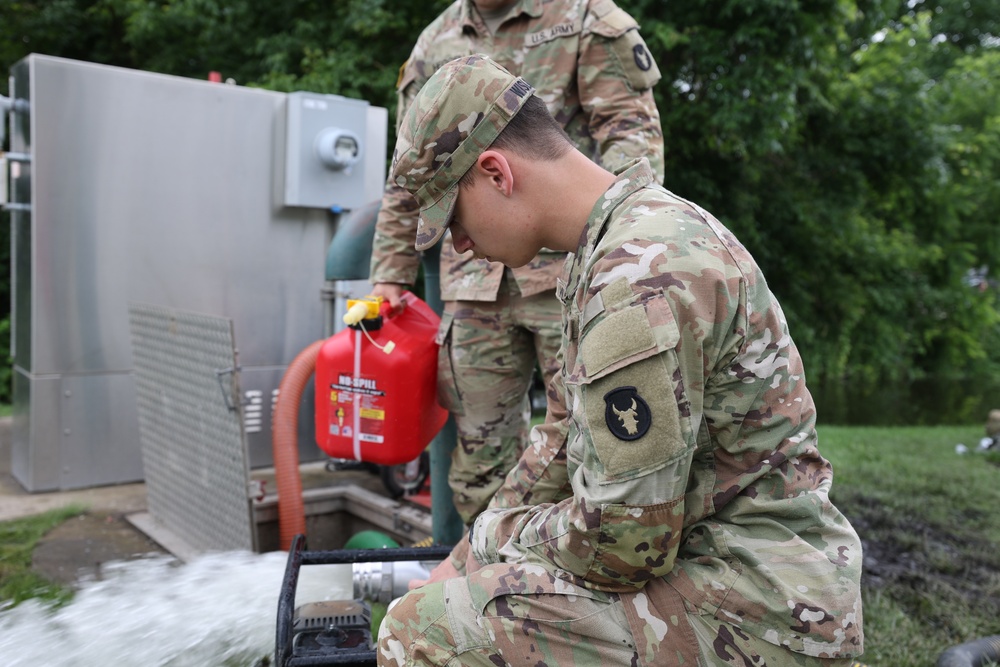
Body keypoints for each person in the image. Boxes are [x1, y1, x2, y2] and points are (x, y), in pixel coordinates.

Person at [375, 55, 865, 666]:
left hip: (761, 604)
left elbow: (625, 542)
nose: (461, 244)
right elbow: (558, 439)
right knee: (457, 595)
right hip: (729, 566)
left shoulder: (637, 278)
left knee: (417, 630)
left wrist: (503, 538)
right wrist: (464, 559)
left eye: (454, 218)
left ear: (496, 172)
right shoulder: (614, 246)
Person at [368, 0, 664, 528]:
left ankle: (576, 579)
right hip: (474, 290)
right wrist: (390, 273)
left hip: (571, 274)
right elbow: (411, 175)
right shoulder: (434, 43)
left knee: (591, 436)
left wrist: (615, 245)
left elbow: (631, 132)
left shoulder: (588, 18)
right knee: (480, 457)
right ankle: (486, 578)